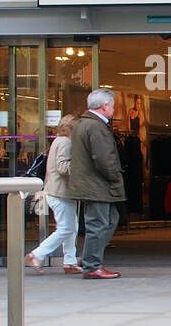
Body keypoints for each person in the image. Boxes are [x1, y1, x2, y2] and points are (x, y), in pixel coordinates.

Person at [70, 89, 126, 280]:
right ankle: (92, 265)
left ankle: (90, 260)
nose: (113, 109)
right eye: (112, 106)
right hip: (97, 185)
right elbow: (103, 158)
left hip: (93, 183)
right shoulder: (95, 127)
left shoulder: (83, 124)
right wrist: (114, 177)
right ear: (104, 106)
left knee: (109, 220)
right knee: (99, 223)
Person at [24, 115, 81, 274]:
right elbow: (63, 167)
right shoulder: (65, 142)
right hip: (59, 192)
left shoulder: (58, 141)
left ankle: (70, 261)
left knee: (72, 227)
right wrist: (81, 165)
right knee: (66, 228)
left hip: (58, 191)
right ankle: (36, 254)